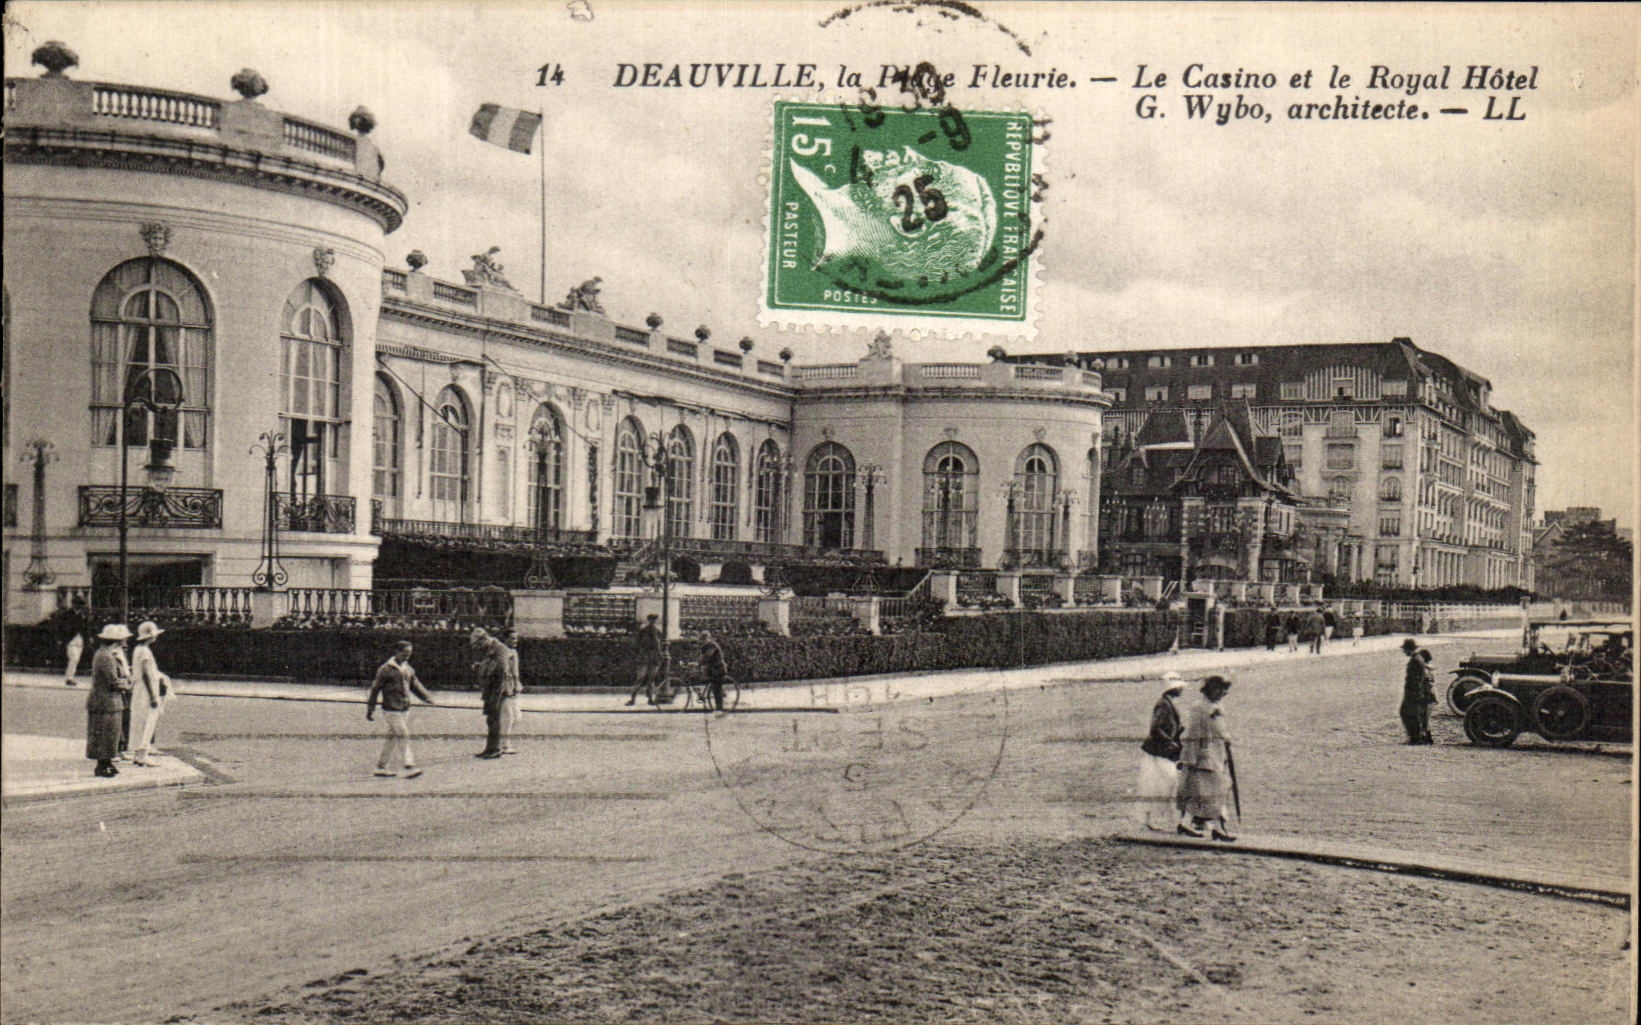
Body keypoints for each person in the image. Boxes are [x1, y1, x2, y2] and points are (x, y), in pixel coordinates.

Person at [1177, 674, 1236, 841]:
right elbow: (1192, 733)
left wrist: (1226, 740)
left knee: (1204, 793)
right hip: (1204, 757)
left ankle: (1187, 823)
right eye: (1219, 690)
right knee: (1215, 791)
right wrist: (1189, 758)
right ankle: (1218, 828)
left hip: (1216, 755)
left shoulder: (1215, 707)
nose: (1222, 694)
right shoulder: (1200, 708)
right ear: (1210, 690)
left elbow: (1220, 730)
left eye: (1224, 691)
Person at [366, 640, 435, 777]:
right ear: (396, 652)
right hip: (391, 710)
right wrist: (371, 708)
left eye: (409, 654)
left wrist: (428, 698)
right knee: (403, 734)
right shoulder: (385, 669)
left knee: (392, 738)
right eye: (405, 654)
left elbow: (415, 685)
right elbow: (375, 689)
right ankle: (409, 766)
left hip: (404, 709)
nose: (407, 657)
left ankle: (380, 767)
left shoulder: (408, 669)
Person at [1136, 672, 1186, 831]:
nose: (1181, 690)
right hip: (1159, 750)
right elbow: (1155, 728)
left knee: (1161, 783)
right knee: (1163, 782)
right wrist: (1169, 741)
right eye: (1179, 687)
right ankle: (1153, 818)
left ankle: (1153, 818)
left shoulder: (1168, 703)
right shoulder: (1164, 704)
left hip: (1163, 750)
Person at [86, 624, 132, 778]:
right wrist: (128, 686)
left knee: (111, 734)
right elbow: (113, 680)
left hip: (110, 701)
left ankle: (107, 763)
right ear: (116, 641)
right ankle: (102, 765)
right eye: (123, 639)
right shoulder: (105, 656)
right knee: (105, 734)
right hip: (106, 701)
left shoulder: (106, 654)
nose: (125, 641)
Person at [128, 621, 170, 767]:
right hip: (146, 690)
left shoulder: (138, 649)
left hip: (141, 689)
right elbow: (146, 673)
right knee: (148, 719)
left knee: (140, 720)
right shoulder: (145, 652)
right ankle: (143, 753)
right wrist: (153, 695)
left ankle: (138, 754)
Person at [470, 627, 511, 759]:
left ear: (485, 638)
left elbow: (501, 668)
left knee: (494, 718)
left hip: (498, 687)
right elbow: (491, 664)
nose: (479, 647)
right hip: (492, 687)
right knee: (491, 718)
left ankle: (495, 749)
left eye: (479, 644)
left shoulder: (500, 648)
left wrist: (483, 667)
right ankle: (490, 748)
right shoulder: (491, 648)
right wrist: (480, 665)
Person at [1399, 638, 1436, 745]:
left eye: (1405, 649)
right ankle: (1421, 737)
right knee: (1414, 715)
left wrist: (1417, 694)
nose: (1404, 652)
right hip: (1416, 692)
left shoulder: (1415, 660)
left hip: (1414, 692)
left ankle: (1416, 738)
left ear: (1408, 649)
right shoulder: (1418, 658)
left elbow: (1416, 680)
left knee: (1408, 714)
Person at [625, 613, 665, 706]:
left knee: (650, 679)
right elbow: (638, 645)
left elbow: (660, 646)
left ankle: (649, 698)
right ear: (649, 620)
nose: (653, 622)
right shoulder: (644, 631)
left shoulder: (656, 632)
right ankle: (633, 698)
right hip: (645, 657)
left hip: (652, 658)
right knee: (641, 678)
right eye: (652, 620)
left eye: (654, 620)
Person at [499, 628, 523, 754]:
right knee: (508, 717)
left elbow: (515, 671)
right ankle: (505, 745)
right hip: (502, 687)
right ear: (505, 638)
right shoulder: (500, 650)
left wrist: (517, 683)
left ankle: (500, 740)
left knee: (517, 717)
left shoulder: (513, 652)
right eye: (512, 638)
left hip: (512, 687)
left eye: (516, 638)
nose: (515, 640)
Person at [698, 630, 730, 711]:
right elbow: (702, 657)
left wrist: (700, 662)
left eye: (704, 638)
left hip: (718, 669)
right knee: (714, 686)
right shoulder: (705, 646)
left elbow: (708, 655)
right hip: (712, 669)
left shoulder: (711, 645)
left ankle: (719, 707)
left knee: (717, 689)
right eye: (702, 638)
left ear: (708, 638)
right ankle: (718, 700)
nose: (703, 640)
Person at [61, 594, 89, 686]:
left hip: (79, 639)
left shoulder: (82, 615)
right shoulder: (67, 614)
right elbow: (62, 627)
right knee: (74, 658)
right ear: (73, 604)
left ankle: (71, 676)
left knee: (76, 659)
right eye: (78, 604)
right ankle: (69, 677)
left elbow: (85, 628)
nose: (79, 606)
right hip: (70, 639)